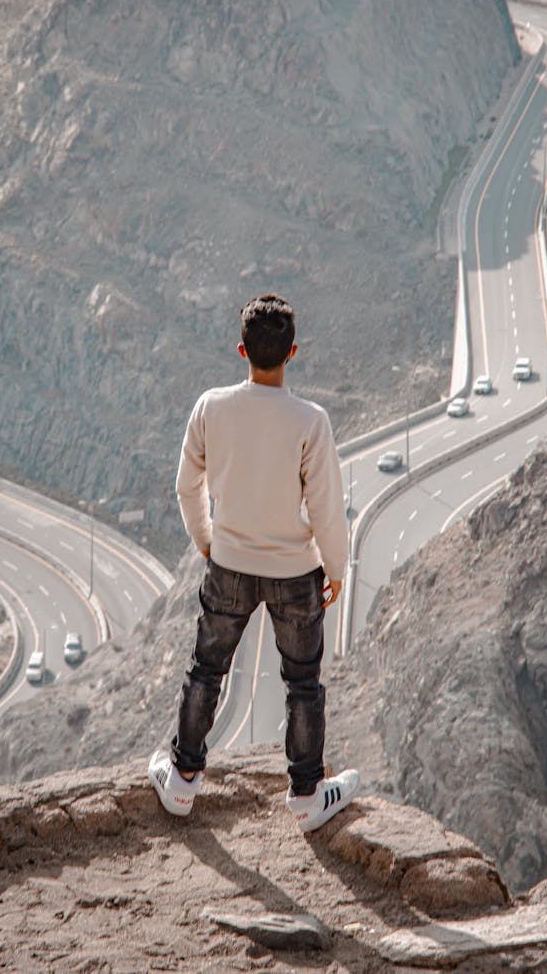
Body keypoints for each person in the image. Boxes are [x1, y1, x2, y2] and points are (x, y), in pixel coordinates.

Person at [148, 293, 359, 831]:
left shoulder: (211, 407)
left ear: (241, 350)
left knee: (206, 671)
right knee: (303, 684)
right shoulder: (311, 421)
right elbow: (326, 507)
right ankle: (308, 796)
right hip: (296, 573)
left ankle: (182, 781)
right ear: (294, 354)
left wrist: (206, 541)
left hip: (229, 564)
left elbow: (185, 486)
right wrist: (335, 569)